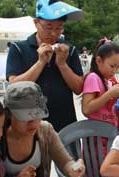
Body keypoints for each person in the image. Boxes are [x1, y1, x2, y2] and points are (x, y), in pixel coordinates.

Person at [6, 0, 84, 132]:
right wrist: (40, 62)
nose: (54, 33)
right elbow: (14, 86)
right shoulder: (18, 48)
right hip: (28, 123)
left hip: (65, 122)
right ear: (36, 23)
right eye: (48, 27)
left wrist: (62, 64)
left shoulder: (69, 50)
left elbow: (78, 88)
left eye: (59, 27)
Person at [4, 81, 85, 177]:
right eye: (25, 118)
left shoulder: (45, 130)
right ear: (8, 114)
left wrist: (74, 169)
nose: (33, 124)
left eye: (37, 115)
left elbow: (65, 162)